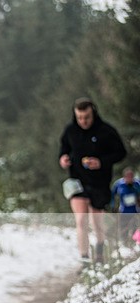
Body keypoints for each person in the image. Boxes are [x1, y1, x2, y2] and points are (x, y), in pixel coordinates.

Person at [58, 97, 127, 263]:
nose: (83, 121)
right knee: (81, 220)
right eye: (80, 118)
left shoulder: (106, 131)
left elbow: (121, 153)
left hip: (99, 183)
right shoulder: (70, 131)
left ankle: (100, 252)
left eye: (87, 117)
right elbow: (64, 149)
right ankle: (84, 258)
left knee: (97, 222)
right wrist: (63, 159)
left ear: (93, 113)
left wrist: (101, 162)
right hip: (77, 182)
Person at [111, 167, 140, 245]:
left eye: (131, 177)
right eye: (128, 177)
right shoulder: (119, 184)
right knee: (123, 228)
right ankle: (124, 243)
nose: (130, 179)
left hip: (135, 210)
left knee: (135, 228)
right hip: (124, 210)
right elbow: (112, 195)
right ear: (124, 177)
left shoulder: (137, 184)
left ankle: (134, 244)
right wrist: (113, 206)